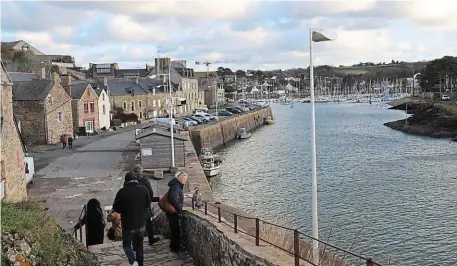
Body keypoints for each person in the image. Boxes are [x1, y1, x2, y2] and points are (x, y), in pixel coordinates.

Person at [113, 173, 150, 266]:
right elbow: (148, 204)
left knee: (126, 245)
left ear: (126, 181)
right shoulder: (144, 189)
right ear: (136, 179)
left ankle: (133, 261)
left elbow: (116, 208)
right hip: (141, 223)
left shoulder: (122, 192)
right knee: (139, 247)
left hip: (128, 225)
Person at [132, 164, 160, 245]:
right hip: (144, 205)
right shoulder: (145, 180)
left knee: (136, 224)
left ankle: (136, 242)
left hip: (134, 206)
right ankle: (151, 239)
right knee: (148, 223)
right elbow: (150, 193)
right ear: (142, 170)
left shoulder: (130, 180)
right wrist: (153, 199)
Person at [166, 171, 187, 252]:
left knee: (174, 229)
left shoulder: (175, 185)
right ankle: (175, 247)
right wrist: (179, 208)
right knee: (175, 230)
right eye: (185, 179)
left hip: (171, 212)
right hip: (173, 212)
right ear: (181, 179)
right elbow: (173, 198)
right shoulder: (176, 186)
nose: (185, 181)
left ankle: (173, 246)